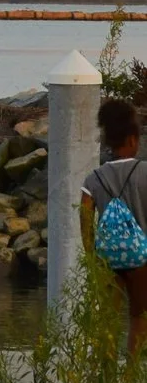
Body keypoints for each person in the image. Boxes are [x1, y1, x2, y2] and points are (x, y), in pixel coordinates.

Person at [79, 98, 147, 353]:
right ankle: (130, 378)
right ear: (131, 139)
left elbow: (85, 221)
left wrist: (91, 258)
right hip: (142, 261)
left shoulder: (93, 178)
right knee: (139, 318)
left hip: (107, 261)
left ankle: (107, 379)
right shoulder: (145, 172)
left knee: (107, 320)